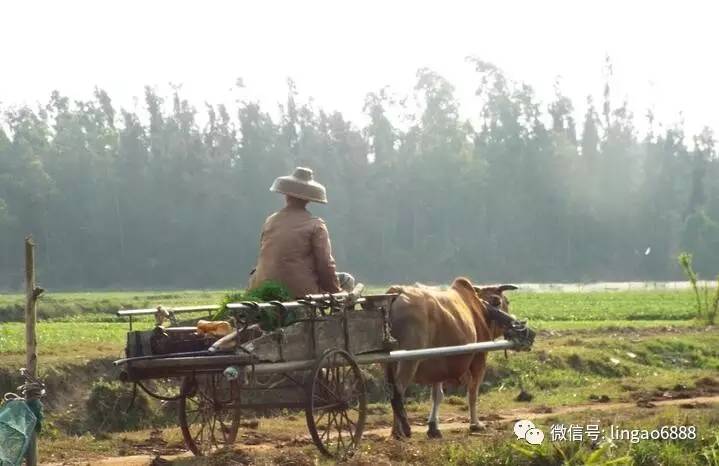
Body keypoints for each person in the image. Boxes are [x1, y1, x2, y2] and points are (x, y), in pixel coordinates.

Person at [248, 167, 355, 297]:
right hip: (300, 291)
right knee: (347, 280)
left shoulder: (270, 221)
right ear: (309, 199)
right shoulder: (315, 225)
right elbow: (325, 265)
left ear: (286, 195)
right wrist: (337, 292)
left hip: (260, 286)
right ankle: (337, 317)